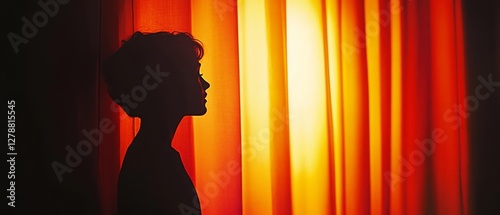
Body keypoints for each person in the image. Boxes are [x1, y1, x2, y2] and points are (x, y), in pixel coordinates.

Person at [102, 31, 209, 215]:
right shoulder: (154, 164)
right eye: (195, 74)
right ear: (170, 85)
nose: (205, 84)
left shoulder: (150, 154)